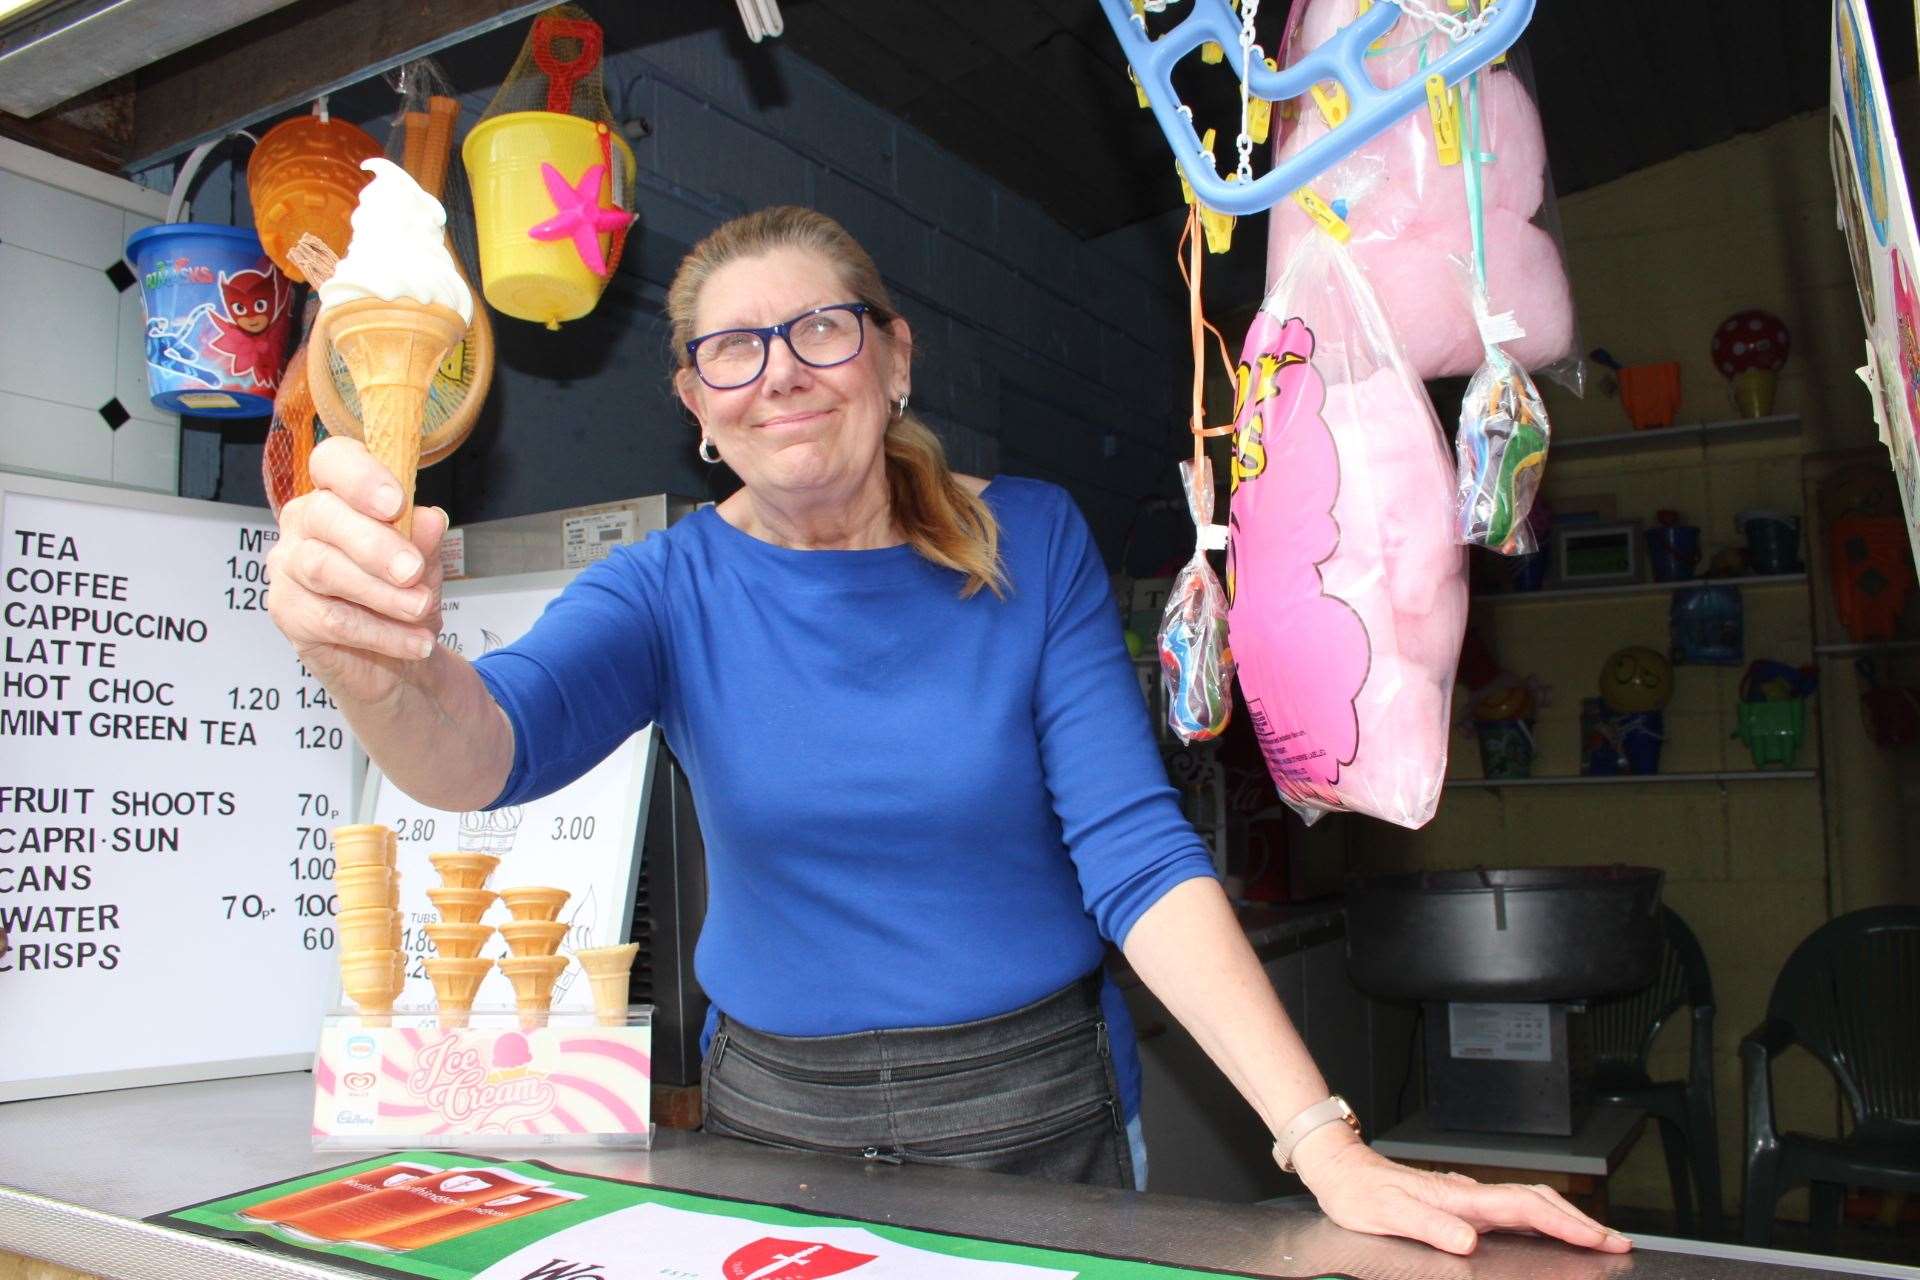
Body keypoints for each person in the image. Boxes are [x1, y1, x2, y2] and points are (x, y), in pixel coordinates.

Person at [267, 205, 1629, 1257]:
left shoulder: (1028, 537)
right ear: (694, 406)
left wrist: (1324, 1139)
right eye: (730, 350)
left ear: (894, 355)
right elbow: (480, 753)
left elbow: (1136, 855)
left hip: (1030, 1114)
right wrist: (373, 663)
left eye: (823, 329)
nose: (779, 375)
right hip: (773, 1126)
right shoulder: (666, 587)